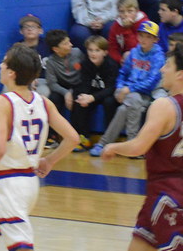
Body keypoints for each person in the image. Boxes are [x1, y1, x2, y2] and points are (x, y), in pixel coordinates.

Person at [0, 43, 78, 251]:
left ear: (11, 73)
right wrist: (49, 160)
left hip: (9, 184)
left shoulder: (0, 102)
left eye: (4, 62)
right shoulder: (43, 102)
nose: (0, 65)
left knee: (21, 246)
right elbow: (73, 138)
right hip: (29, 182)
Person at [101, 45, 183, 251]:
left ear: (180, 74)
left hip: (168, 193)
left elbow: (139, 146)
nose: (162, 69)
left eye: (167, 65)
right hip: (160, 194)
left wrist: (112, 147)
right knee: (138, 246)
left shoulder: (164, 106)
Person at [90, 21, 165, 157]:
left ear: (155, 39)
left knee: (125, 107)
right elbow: (123, 73)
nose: (143, 39)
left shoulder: (158, 57)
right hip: (128, 92)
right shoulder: (134, 52)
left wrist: (129, 89)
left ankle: (113, 143)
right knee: (128, 103)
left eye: (148, 37)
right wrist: (120, 88)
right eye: (141, 35)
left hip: (146, 95)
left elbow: (151, 82)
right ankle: (132, 146)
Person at [70, 35, 120, 151]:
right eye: (90, 50)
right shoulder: (86, 63)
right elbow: (84, 83)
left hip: (106, 93)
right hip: (92, 92)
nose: (93, 54)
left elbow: (111, 88)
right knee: (79, 100)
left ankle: (108, 140)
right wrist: (84, 97)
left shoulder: (111, 65)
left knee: (109, 102)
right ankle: (83, 137)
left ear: (105, 52)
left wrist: (92, 97)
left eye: (97, 50)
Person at [43, 29, 84, 116]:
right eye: (66, 43)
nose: (71, 45)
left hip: (78, 85)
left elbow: (86, 72)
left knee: (79, 99)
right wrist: (66, 92)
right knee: (54, 99)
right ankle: (53, 128)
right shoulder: (50, 62)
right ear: (56, 49)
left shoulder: (77, 52)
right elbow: (52, 84)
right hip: (62, 86)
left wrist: (73, 92)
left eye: (69, 41)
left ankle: (78, 129)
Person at [109, 0, 149, 65]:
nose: (125, 15)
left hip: (144, 56)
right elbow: (112, 48)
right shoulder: (116, 25)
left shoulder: (144, 24)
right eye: (122, 11)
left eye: (130, 11)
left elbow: (136, 47)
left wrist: (126, 29)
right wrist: (120, 59)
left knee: (129, 54)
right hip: (123, 58)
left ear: (136, 11)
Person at [18, 14, 50, 97]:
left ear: (40, 30)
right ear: (21, 31)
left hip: (43, 81)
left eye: (33, 26)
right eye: (26, 27)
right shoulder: (17, 48)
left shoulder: (48, 45)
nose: (29, 29)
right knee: (6, 92)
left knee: (43, 93)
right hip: (22, 80)